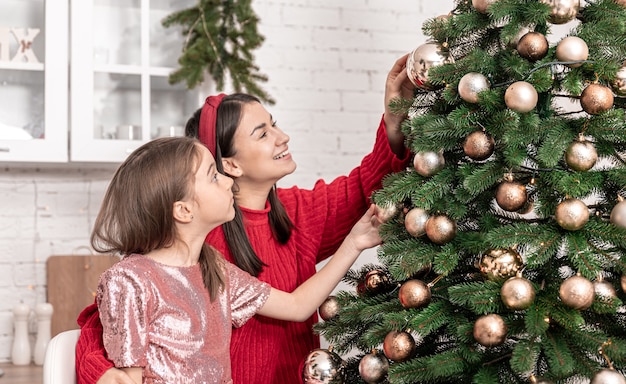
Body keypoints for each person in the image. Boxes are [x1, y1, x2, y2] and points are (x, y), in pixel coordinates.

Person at [75, 53, 415, 384]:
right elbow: (109, 315)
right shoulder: (197, 233)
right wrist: (101, 371)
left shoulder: (297, 212)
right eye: (262, 133)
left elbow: (364, 188)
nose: (283, 137)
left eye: (274, 124)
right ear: (231, 164)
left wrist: (394, 117)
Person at [92, 136, 382, 383]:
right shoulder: (130, 280)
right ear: (183, 211)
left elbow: (297, 306)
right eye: (213, 176)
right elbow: (127, 377)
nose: (229, 180)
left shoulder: (212, 267)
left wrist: (354, 242)